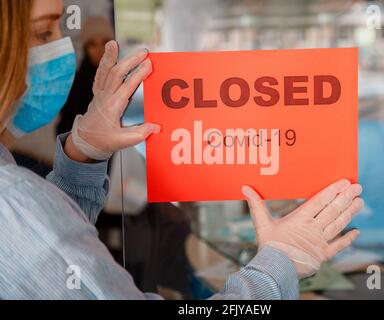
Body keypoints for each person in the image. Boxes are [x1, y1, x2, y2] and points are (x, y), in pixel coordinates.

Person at [0, 0, 364, 300]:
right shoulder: (12, 201)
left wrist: (83, 154)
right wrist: (278, 265)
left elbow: (47, 254)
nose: (61, 47)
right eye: (42, 32)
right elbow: (34, 233)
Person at [56, 16, 114, 136]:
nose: (99, 49)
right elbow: (64, 128)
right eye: (92, 44)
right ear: (86, 48)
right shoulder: (75, 83)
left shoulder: (119, 77)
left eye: (104, 43)